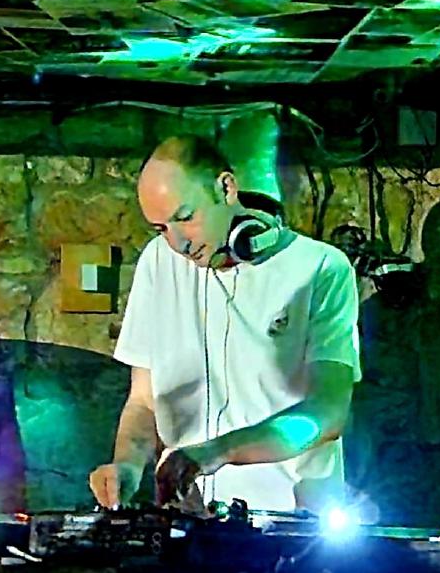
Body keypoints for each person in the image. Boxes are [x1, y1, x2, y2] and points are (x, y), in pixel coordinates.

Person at [89, 135, 360, 513]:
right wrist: (128, 465)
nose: (178, 243)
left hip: (292, 520)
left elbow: (327, 413)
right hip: (189, 518)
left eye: (185, 217)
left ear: (226, 188)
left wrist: (219, 451)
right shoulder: (157, 262)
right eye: (161, 228)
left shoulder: (320, 269)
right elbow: (144, 401)